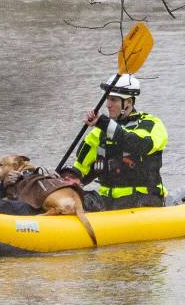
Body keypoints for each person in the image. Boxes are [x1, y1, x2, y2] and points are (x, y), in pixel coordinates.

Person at [59, 73, 168, 210]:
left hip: (144, 199)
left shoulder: (151, 124)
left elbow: (137, 144)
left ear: (128, 102)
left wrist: (103, 123)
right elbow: (81, 168)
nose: (108, 105)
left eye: (114, 100)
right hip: (107, 201)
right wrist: (69, 178)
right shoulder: (99, 133)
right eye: (107, 99)